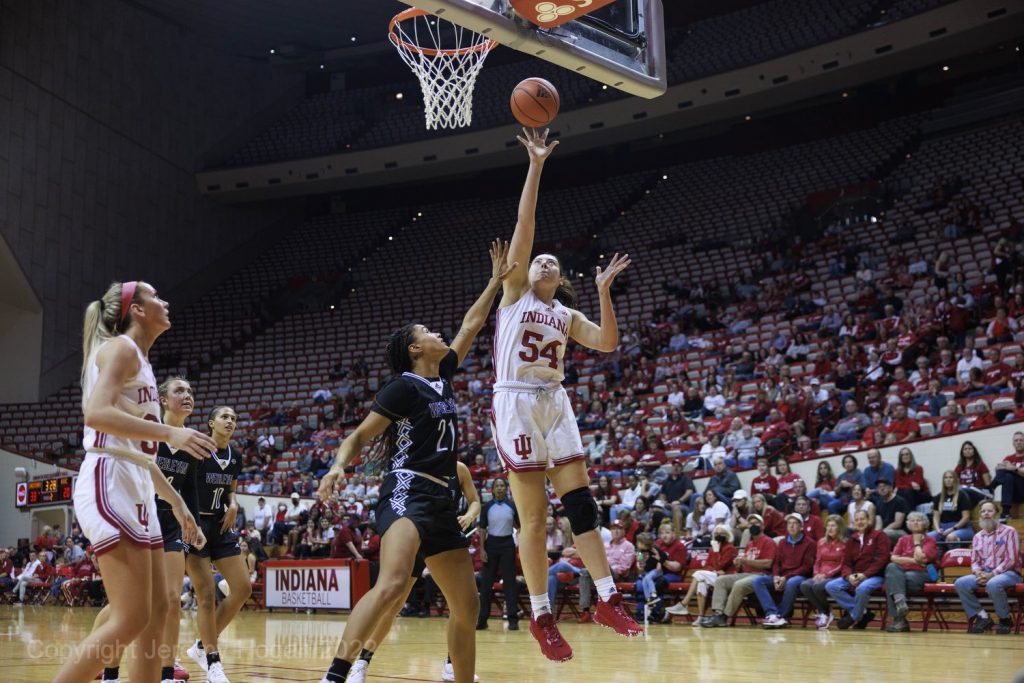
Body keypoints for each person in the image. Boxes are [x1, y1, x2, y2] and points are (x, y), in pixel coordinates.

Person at [313, 241, 512, 683]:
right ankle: (336, 674)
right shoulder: (402, 387)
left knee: (468, 605)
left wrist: (495, 283)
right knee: (393, 583)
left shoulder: (440, 378)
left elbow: (471, 324)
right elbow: (361, 435)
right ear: (414, 349)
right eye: (426, 331)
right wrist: (336, 466)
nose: (437, 333)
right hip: (407, 489)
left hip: (443, 500)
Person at [489, 127, 640, 662]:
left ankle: (607, 599)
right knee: (533, 520)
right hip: (515, 402)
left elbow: (606, 343)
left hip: (554, 402)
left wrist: (602, 294)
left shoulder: (565, 314)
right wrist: (535, 166)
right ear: (526, 271)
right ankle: (540, 615)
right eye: (538, 260)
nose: (544, 262)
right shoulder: (512, 296)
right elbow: (525, 228)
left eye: (553, 261)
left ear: (561, 276)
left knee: (580, 505)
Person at [55, 281, 212, 683]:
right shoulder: (122, 348)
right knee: (130, 618)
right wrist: (171, 434)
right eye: (156, 296)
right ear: (136, 310)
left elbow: (138, 452)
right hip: (109, 478)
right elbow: (96, 414)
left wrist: (177, 503)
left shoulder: (140, 361)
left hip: (135, 480)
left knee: (159, 608)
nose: (166, 301)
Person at [88, 376, 204, 683]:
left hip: (171, 525)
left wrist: (195, 523)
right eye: (180, 390)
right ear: (164, 400)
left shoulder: (190, 441)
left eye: (191, 390)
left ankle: (167, 669)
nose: (187, 395)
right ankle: (106, 665)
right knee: (127, 603)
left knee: (171, 598)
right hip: (140, 517)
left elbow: (189, 489)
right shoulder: (150, 431)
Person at [346, 460, 481, 683]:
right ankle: (361, 663)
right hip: (415, 536)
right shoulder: (416, 463)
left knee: (461, 606)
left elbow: (474, 501)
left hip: (443, 539)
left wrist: (469, 516)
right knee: (393, 606)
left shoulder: (460, 468)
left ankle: (451, 665)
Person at [185, 406, 251, 683]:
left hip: (221, 527)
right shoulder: (198, 449)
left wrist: (234, 503)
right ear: (211, 423)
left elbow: (231, 487)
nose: (230, 421)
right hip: (194, 526)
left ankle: (201, 646)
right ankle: (213, 662)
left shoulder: (235, 457)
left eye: (234, 418)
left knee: (243, 589)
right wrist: (189, 522)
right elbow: (182, 486)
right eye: (224, 417)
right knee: (206, 595)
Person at [954, 501, 1021, 634]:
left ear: (997, 513)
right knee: (960, 583)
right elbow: (975, 560)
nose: (986, 514)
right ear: (980, 514)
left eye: (989, 511)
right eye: (983, 511)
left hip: (1009, 573)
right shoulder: (977, 537)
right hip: (985, 573)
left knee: (993, 584)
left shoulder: (1009, 532)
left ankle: (1005, 619)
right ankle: (983, 617)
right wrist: (978, 573)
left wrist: (992, 574)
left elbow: (1011, 559)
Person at [704, 512, 777, 627]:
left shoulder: (769, 541)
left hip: (761, 575)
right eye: (750, 523)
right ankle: (717, 613)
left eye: (756, 523)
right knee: (721, 580)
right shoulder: (749, 544)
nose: (753, 526)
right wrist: (738, 563)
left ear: (762, 526)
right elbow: (745, 564)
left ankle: (724, 616)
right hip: (747, 573)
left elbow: (768, 564)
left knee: (739, 584)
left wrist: (746, 561)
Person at [826, 509, 891, 629]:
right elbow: (845, 563)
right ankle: (864, 613)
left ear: (869, 520)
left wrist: (865, 575)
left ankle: (854, 617)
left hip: (875, 575)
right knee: (831, 586)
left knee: (862, 588)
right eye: (857, 519)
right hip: (855, 575)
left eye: (862, 519)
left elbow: (883, 559)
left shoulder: (879, 535)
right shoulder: (852, 539)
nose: (860, 522)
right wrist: (848, 575)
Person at [751, 512, 816, 628]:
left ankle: (782, 616)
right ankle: (772, 613)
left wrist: (786, 577)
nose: (791, 526)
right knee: (758, 581)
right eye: (789, 523)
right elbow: (777, 563)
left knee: (791, 582)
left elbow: (807, 567)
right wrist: (776, 576)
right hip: (782, 576)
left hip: (800, 576)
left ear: (801, 527)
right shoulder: (782, 543)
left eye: (795, 523)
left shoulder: (810, 543)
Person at [666, 524, 736, 621]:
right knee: (701, 584)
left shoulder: (730, 548)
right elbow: (707, 565)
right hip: (715, 575)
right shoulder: (713, 548)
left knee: (698, 574)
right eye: (716, 533)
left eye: (722, 533)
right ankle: (701, 616)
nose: (719, 535)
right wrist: (714, 569)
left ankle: (684, 604)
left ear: (727, 535)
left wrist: (716, 553)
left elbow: (720, 566)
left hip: (726, 578)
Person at [476, 478, 521, 630]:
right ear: (493, 490)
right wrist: (482, 549)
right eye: (497, 486)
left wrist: (520, 544)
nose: (500, 488)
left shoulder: (512, 506)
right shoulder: (486, 507)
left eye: (502, 486)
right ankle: (482, 619)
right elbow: (482, 529)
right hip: (491, 546)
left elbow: (520, 527)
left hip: (508, 545)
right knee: (486, 585)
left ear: (506, 488)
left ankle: (513, 619)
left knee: (510, 584)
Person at [884, 511, 939, 632]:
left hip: (922, 574)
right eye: (912, 520)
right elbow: (893, 558)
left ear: (925, 524)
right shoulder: (903, 539)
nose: (915, 522)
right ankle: (901, 602)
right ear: (908, 524)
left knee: (892, 582)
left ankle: (899, 620)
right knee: (892, 567)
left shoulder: (930, 541)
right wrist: (913, 560)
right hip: (902, 573)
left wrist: (917, 542)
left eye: (918, 520)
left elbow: (923, 558)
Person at [799, 514, 847, 629]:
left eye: (833, 526)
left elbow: (842, 564)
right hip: (820, 574)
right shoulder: (821, 542)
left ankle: (825, 612)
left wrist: (826, 575)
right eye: (828, 525)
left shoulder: (845, 543)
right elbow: (817, 561)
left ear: (839, 527)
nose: (830, 528)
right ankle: (824, 611)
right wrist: (816, 574)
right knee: (805, 585)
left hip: (835, 576)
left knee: (817, 587)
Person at [929, 470, 974, 546]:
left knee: (951, 537)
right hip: (943, 528)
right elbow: (936, 517)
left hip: (961, 528)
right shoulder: (938, 497)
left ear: (955, 480)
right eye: (946, 478)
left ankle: (952, 557)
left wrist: (953, 529)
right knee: (927, 537)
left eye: (951, 477)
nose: (948, 480)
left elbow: (966, 517)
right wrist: (937, 530)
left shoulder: (962, 495)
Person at [991, 431, 1024, 520]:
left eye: (1021, 440)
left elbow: (1013, 469)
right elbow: (1002, 475)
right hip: (1012, 493)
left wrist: (1014, 468)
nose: (1019, 442)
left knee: (1008, 473)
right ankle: (1005, 513)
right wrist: (998, 469)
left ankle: (991, 487)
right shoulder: (1008, 458)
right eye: (1016, 440)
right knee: (1007, 476)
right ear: (1013, 443)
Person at [955, 440, 993, 507]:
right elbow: (955, 484)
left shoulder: (981, 465)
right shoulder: (959, 467)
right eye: (965, 449)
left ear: (974, 451)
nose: (968, 450)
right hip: (965, 493)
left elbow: (988, 484)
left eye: (970, 448)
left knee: (963, 490)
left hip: (979, 492)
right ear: (962, 452)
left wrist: (988, 497)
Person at [874, 478, 909, 544]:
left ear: (890, 488)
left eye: (884, 486)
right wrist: (875, 533)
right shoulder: (878, 503)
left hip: (900, 531)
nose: (882, 489)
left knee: (884, 534)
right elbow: (879, 523)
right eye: (879, 487)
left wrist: (882, 532)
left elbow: (897, 523)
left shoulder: (899, 501)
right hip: (885, 531)